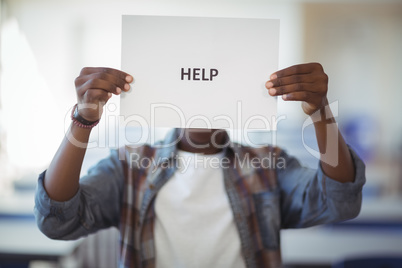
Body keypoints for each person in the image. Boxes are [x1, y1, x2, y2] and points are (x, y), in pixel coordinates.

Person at [34, 63, 365, 268]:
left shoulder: (268, 164)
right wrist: (83, 118)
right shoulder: (128, 165)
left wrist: (320, 110)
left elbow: (339, 202)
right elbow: (57, 221)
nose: (200, 97)